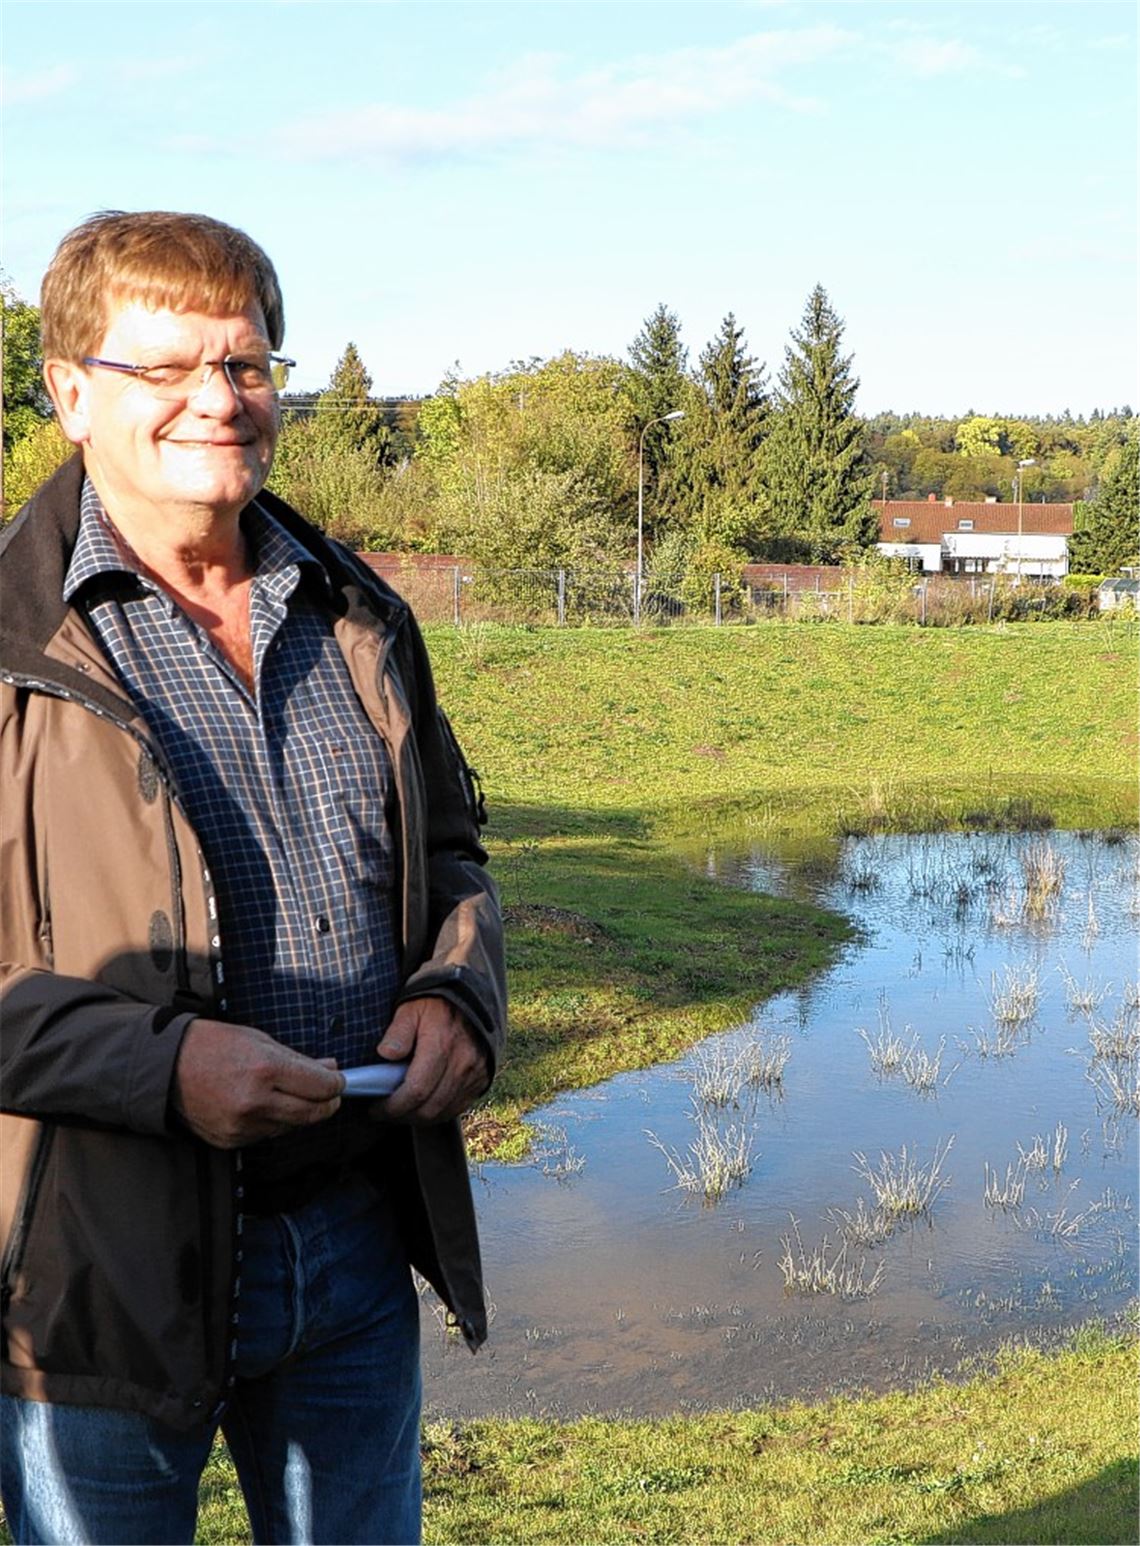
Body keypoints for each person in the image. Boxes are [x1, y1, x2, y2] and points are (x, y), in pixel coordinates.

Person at [0, 210, 507, 1546]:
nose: (218, 399)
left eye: (244, 363)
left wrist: (459, 991)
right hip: (97, 1272)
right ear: (69, 394)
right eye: (164, 368)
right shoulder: (10, 644)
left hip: (351, 1243)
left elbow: (452, 852)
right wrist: (164, 1067)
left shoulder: (359, 613)